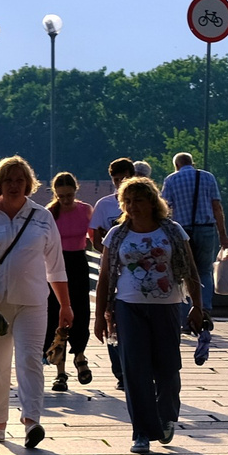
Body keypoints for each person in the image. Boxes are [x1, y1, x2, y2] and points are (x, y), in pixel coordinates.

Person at [0, 157, 70, 447]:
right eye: (8, 180)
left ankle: (31, 420)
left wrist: (65, 305)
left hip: (32, 302)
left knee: (30, 360)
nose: (14, 185)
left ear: (28, 184)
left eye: (19, 180)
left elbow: (55, 266)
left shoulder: (41, 216)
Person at [95, 177, 204, 455]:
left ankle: (166, 417)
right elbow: (105, 276)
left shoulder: (173, 231)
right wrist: (99, 316)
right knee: (135, 370)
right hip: (128, 306)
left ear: (153, 202)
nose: (132, 206)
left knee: (168, 367)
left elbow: (190, 269)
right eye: (127, 201)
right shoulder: (117, 234)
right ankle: (141, 431)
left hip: (167, 306)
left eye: (139, 200)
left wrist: (198, 306)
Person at [159, 152, 228, 362]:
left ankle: (184, 318)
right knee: (204, 270)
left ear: (176, 165)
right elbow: (217, 207)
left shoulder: (171, 179)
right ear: (192, 163)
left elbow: (164, 208)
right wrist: (223, 234)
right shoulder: (207, 177)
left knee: (182, 274)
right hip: (205, 229)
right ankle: (203, 310)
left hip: (181, 231)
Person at [46, 171, 95, 390]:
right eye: (61, 196)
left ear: (76, 191)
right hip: (56, 265)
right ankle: (60, 371)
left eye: (69, 195)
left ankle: (80, 355)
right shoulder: (50, 213)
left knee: (81, 312)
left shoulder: (85, 210)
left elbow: (94, 239)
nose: (65, 200)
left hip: (78, 263)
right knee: (58, 314)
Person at [89, 158, 135, 383]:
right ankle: (120, 372)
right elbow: (95, 239)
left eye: (124, 179)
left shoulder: (145, 203)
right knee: (111, 318)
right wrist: (111, 253)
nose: (120, 184)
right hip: (113, 269)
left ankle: (137, 369)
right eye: (116, 180)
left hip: (138, 272)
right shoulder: (105, 205)